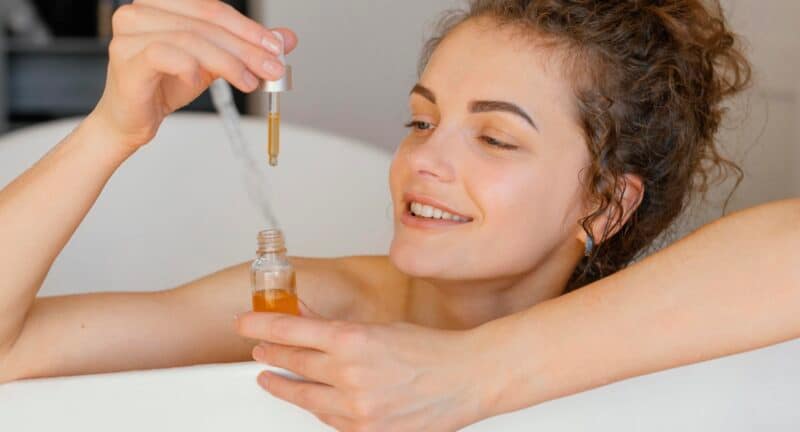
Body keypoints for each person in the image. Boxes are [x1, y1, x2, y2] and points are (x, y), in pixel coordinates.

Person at [0, 0, 797, 431]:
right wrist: (113, 130)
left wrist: (473, 375)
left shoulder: (657, 328)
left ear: (605, 202)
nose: (423, 163)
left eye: (494, 136)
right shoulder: (317, 304)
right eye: (421, 121)